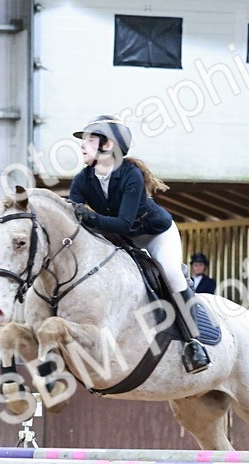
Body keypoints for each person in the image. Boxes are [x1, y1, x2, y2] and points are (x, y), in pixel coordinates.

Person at [68, 114, 210, 374]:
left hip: (155, 234)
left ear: (108, 145)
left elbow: (123, 222)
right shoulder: (83, 179)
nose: (82, 145)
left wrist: (92, 217)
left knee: (170, 273)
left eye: (89, 140)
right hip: (121, 240)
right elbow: (72, 212)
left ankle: (195, 344)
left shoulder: (131, 176)